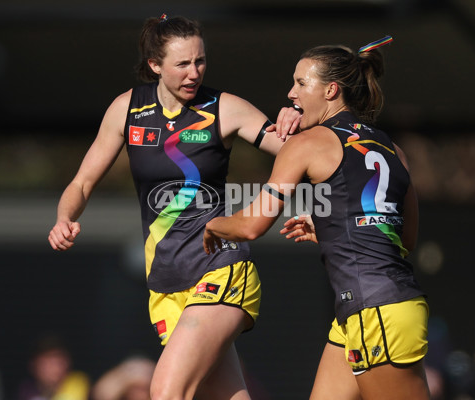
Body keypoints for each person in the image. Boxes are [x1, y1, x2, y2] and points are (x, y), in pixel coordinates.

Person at [47, 14, 299, 400]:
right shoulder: (127, 109)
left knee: (166, 391)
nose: (194, 72)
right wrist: (65, 217)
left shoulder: (225, 108)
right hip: (165, 283)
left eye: (200, 61)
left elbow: (302, 154)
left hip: (221, 269)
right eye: (182, 63)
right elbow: (81, 183)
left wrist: (305, 122)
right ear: (155, 65)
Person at [203, 36, 431, 399]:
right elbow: (405, 238)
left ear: (331, 91)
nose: (291, 92)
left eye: (301, 83)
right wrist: (334, 227)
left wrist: (210, 222)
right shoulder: (393, 149)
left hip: (375, 311)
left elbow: (251, 225)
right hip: (374, 308)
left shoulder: (307, 144)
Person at [16, 334, 90, 400]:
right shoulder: (26, 390)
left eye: (60, 361)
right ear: (33, 365)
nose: (55, 367)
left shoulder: (78, 383)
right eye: (49, 361)